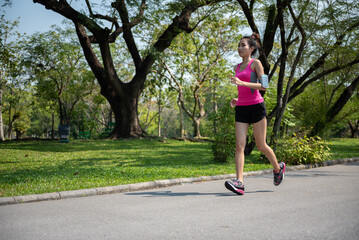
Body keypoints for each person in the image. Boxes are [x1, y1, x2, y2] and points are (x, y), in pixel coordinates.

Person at [224, 33, 285, 195]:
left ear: (251, 49)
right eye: (238, 45)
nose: (239, 48)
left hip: (257, 107)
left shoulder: (256, 63)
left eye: (243, 45)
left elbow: (264, 86)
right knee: (239, 146)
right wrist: (237, 98)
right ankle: (239, 182)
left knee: (261, 145)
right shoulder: (236, 67)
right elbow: (244, 89)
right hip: (242, 109)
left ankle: (278, 169)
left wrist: (242, 82)